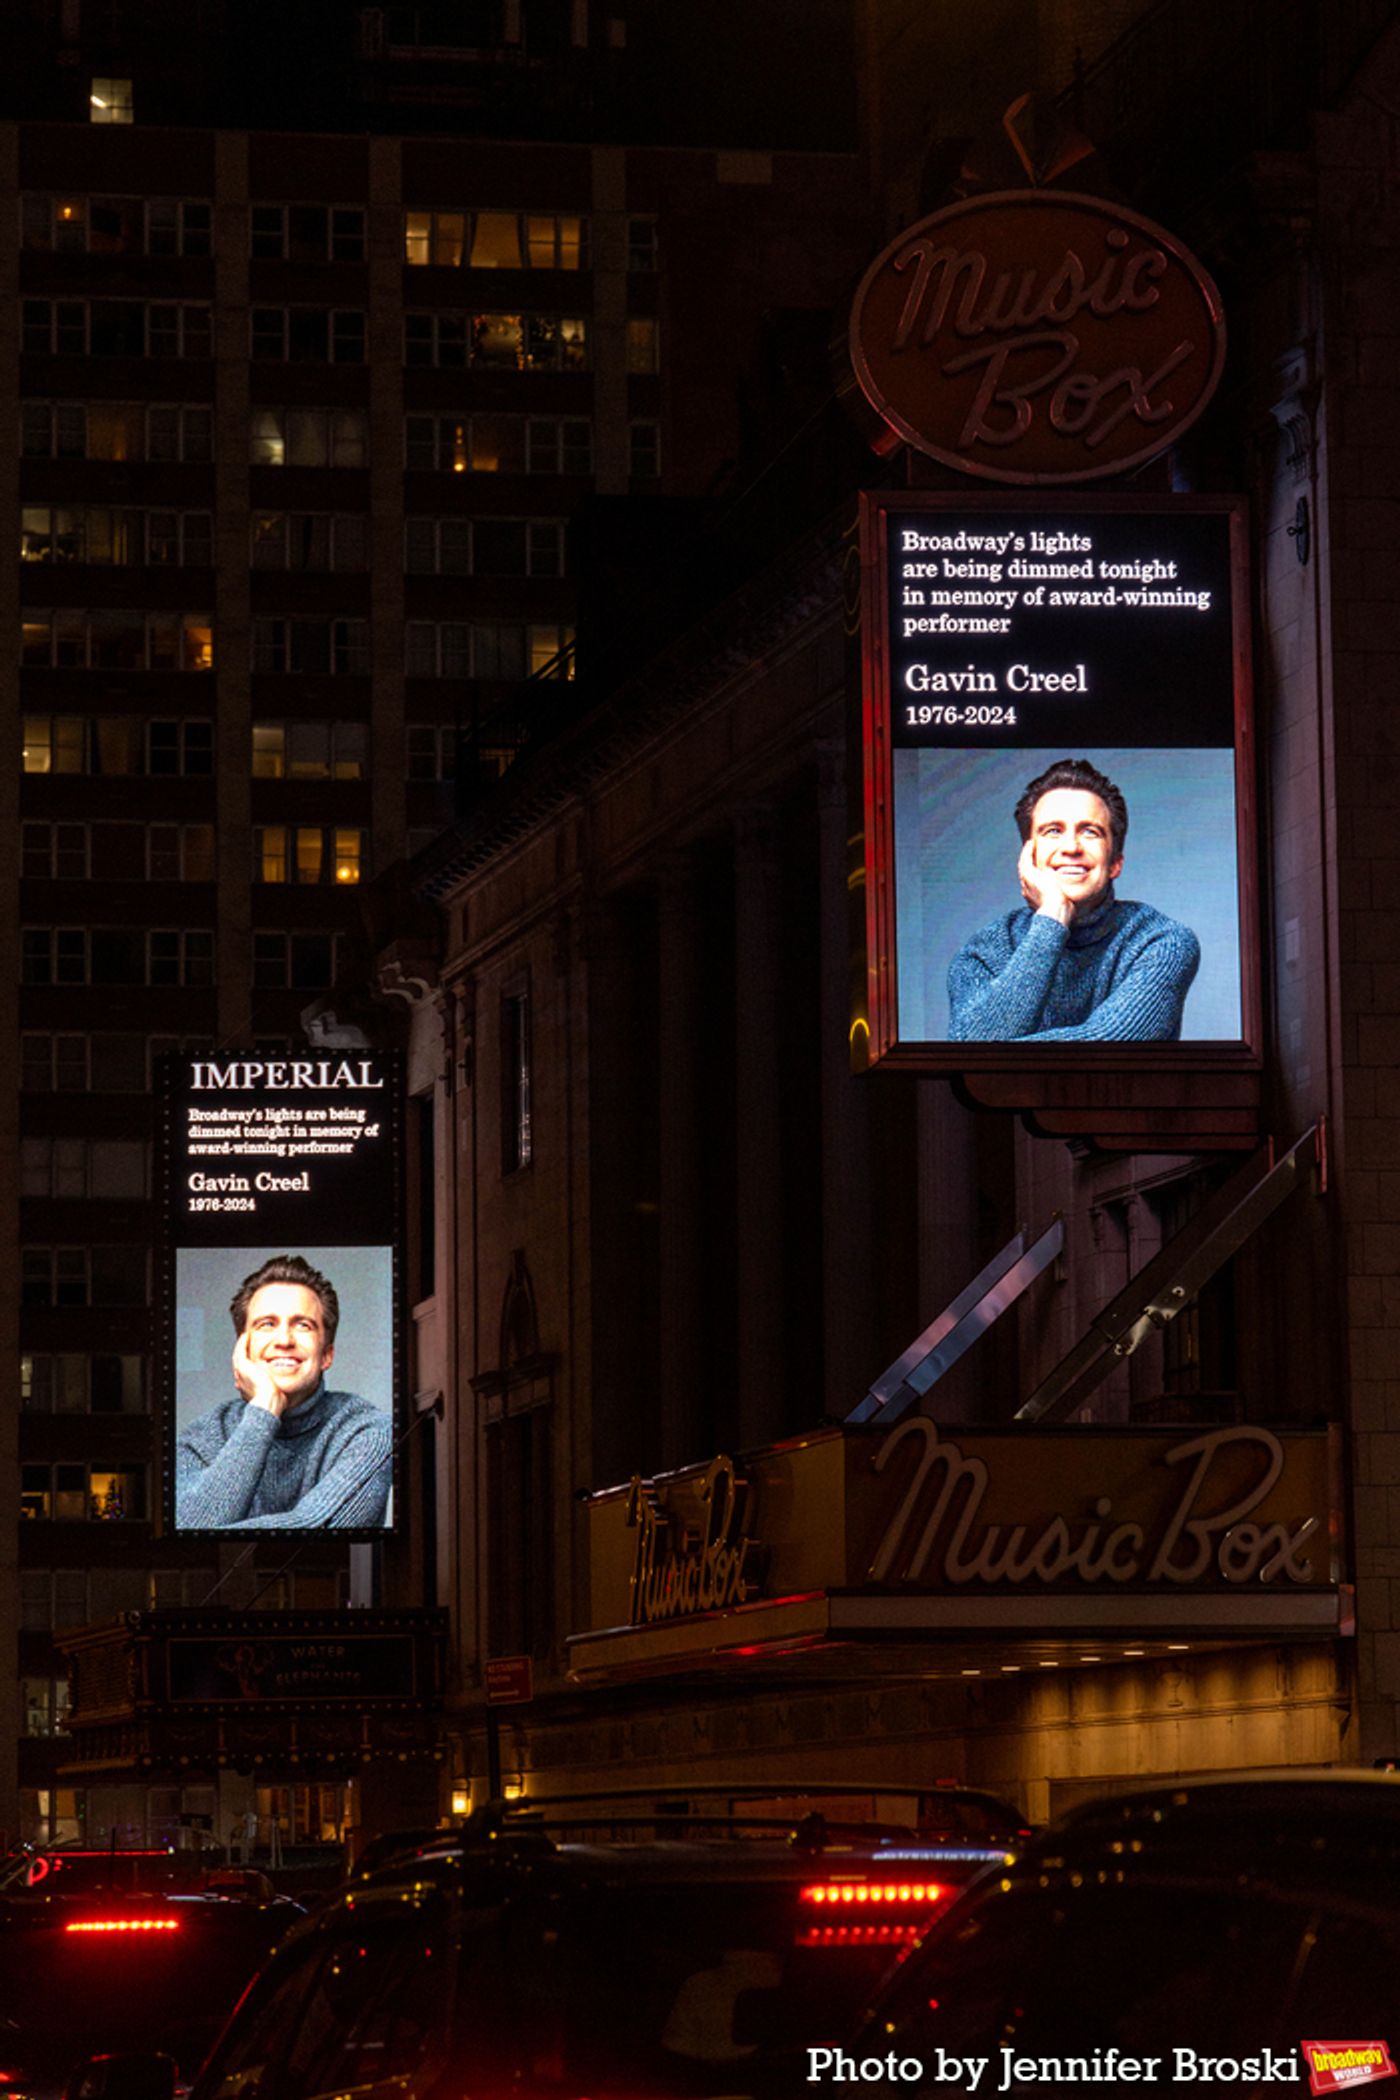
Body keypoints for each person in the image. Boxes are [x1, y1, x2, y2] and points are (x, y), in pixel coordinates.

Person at [946, 757, 1201, 1042]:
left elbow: (1107, 1052)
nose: (1070, 847)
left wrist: (1002, 1062)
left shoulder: (1162, 941)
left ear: (1115, 861)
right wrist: (1052, 919)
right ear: (1028, 857)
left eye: (1090, 832)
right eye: (1052, 831)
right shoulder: (985, 952)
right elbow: (971, 1054)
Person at [175, 1253, 392, 1529]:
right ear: (243, 1350)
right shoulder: (203, 1437)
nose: (285, 1340)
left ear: (326, 1354)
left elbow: (316, 1530)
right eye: (267, 1324)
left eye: (303, 1325)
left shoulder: (368, 1431)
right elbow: (188, 1530)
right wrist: (264, 1410)